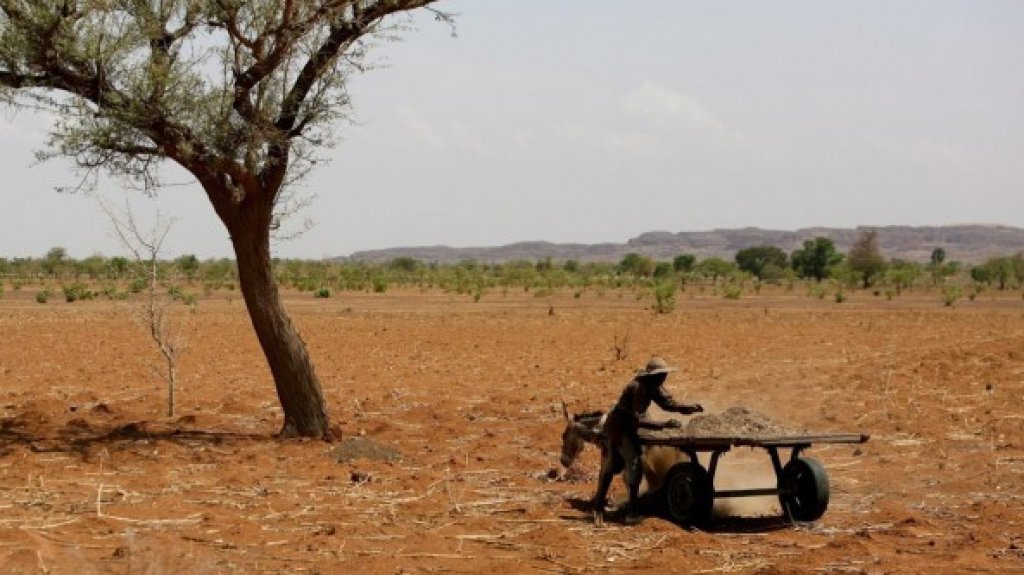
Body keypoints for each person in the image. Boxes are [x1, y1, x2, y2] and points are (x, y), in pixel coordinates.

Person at [593, 356, 703, 525]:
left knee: (615, 464)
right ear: (652, 375)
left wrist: (688, 408)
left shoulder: (654, 386)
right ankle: (629, 511)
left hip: (631, 427)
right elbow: (638, 420)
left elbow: (668, 404)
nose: (664, 378)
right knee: (633, 464)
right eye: (661, 375)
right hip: (620, 428)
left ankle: (602, 505)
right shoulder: (638, 387)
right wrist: (663, 424)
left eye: (665, 375)